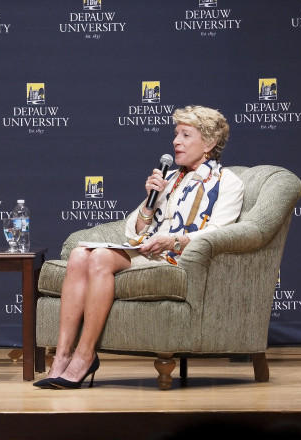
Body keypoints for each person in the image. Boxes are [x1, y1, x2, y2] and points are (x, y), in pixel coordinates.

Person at [34, 105, 245, 389]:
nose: (176, 141)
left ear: (208, 143)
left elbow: (220, 232)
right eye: (175, 134)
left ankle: (85, 356)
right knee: (78, 255)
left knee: (98, 259)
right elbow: (136, 228)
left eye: (186, 135)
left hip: (178, 258)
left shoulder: (227, 183)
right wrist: (150, 200)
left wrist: (174, 240)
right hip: (148, 249)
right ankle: (61, 358)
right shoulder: (170, 178)